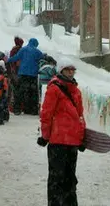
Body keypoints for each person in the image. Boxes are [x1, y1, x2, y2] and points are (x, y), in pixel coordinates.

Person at [37, 62, 85, 206]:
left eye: (72, 70)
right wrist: (45, 135)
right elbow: (46, 114)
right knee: (57, 179)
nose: (71, 72)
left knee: (70, 178)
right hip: (57, 141)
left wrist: (82, 137)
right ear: (61, 71)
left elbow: (80, 116)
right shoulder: (54, 89)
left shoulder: (76, 91)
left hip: (72, 142)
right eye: (67, 70)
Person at [7, 37, 44, 115]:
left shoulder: (23, 49)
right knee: (33, 93)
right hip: (33, 75)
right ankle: (32, 110)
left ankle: (17, 109)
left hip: (23, 74)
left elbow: (16, 57)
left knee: (20, 91)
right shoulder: (37, 52)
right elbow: (43, 58)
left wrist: (8, 60)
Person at [8, 37, 24, 114]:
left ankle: (13, 106)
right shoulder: (19, 50)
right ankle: (18, 107)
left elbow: (10, 60)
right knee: (19, 90)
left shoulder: (12, 50)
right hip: (18, 71)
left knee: (14, 90)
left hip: (13, 72)